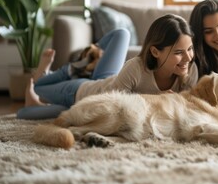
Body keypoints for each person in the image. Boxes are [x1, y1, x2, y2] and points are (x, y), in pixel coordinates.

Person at [17, 14, 198, 120]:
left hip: (105, 84)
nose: (188, 57)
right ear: (155, 52)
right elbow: (114, 103)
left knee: (38, 113)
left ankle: (34, 102)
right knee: (39, 87)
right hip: (82, 94)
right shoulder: (136, 67)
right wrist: (156, 98)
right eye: (178, 52)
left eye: (190, 49)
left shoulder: (190, 71)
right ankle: (74, 67)